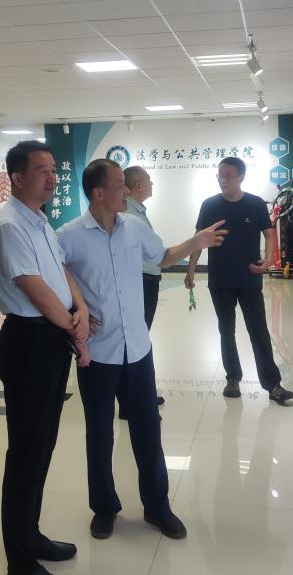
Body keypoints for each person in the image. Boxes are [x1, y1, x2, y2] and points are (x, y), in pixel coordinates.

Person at [58, 159, 226, 541]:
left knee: (148, 431)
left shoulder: (134, 227)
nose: (127, 190)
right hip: (97, 354)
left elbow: (161, 256)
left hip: (137, 350)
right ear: (98, 193)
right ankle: (104, 508)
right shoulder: (69, 236)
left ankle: (158, 507)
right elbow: (55, 273)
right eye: (120, 184)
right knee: (99, 435)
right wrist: (76, 306)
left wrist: (195, 243)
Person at [0, 140, 91, 575]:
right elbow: (38, 293)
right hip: (29, 341)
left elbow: (61, 272)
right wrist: (75, 328)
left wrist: (80, 308)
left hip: (50, 336)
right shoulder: (9, 226)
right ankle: (20, 557)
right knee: (27, 451)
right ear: (17, 177)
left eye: (54, 170)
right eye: (42, 170)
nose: (53, 177)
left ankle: (30, 534)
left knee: (42, 445)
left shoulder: (41, 221)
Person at [185, 157, 293, 405]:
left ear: (241, 177)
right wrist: (190, 270)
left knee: (258, 330)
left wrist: (268, 260)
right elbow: (197, 240)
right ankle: (233, 378)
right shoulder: (209, 205)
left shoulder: (255, 204)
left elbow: (269, 235)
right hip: (220, 279)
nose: (223, 180)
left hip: (249, 278)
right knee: (226, 330)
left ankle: (273, 384)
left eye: (229, 175)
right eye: (220, 175)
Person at [121, 166, 165, 418]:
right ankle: (132, 399)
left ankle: (139, 395)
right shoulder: (129, 215)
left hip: (147, 278)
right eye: (148, 180)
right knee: (135, 339)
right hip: (142, 280)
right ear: (137, 186)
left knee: (139, 337)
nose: (151, 184)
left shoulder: (136, 211)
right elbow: (157, 253)